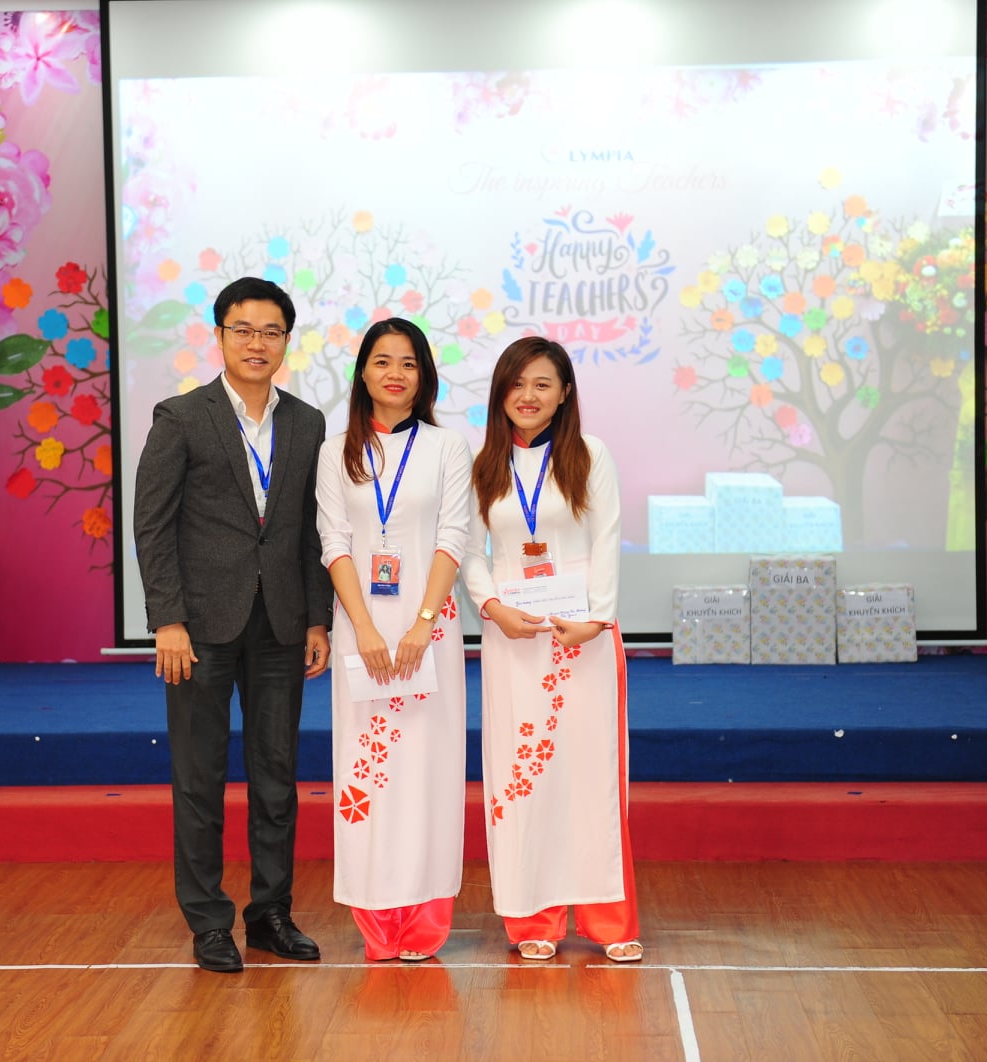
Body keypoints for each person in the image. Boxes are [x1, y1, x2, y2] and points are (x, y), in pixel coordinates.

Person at [133, 277, 335, 974]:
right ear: (218, 335)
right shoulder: (181, 417)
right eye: (243, 329)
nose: (257, 343)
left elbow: (310, 530)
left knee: (277, 777)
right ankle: (209, 921)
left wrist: (317, 619)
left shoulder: (307, 423)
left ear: (286, 341)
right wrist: (167, 620)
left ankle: (271, 914)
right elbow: (152, 524)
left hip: (281, 625)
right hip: (199, 630)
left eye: (271, 331)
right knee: (200, 777)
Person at [460, 335, 642, 963]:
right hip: (513, 638)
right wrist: (491, 607)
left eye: (542, 383)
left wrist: (597, 619)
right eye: (517, 383)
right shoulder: (483, 464)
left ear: (565, 392)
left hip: (583, 639)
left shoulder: (591, 455)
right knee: (523, 778)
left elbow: (607, 538)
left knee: (589, 777)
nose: (528, 395)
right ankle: (532, 918)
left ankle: (608, 920)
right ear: (499, 393)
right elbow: (468, 552)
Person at [315, 318, 472, 963]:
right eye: (382, 361)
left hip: (429, 630)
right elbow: (334, 541)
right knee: (367, 769)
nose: (395, 374)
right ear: (362, 373)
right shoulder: (335, 451)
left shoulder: (447, 447)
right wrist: (364, 629)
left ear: (424, 375)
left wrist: (422, 622)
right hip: (363, 629)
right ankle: (378, 919)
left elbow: (453, 535)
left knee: (429, 767)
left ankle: (427, 919)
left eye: (408, 363)